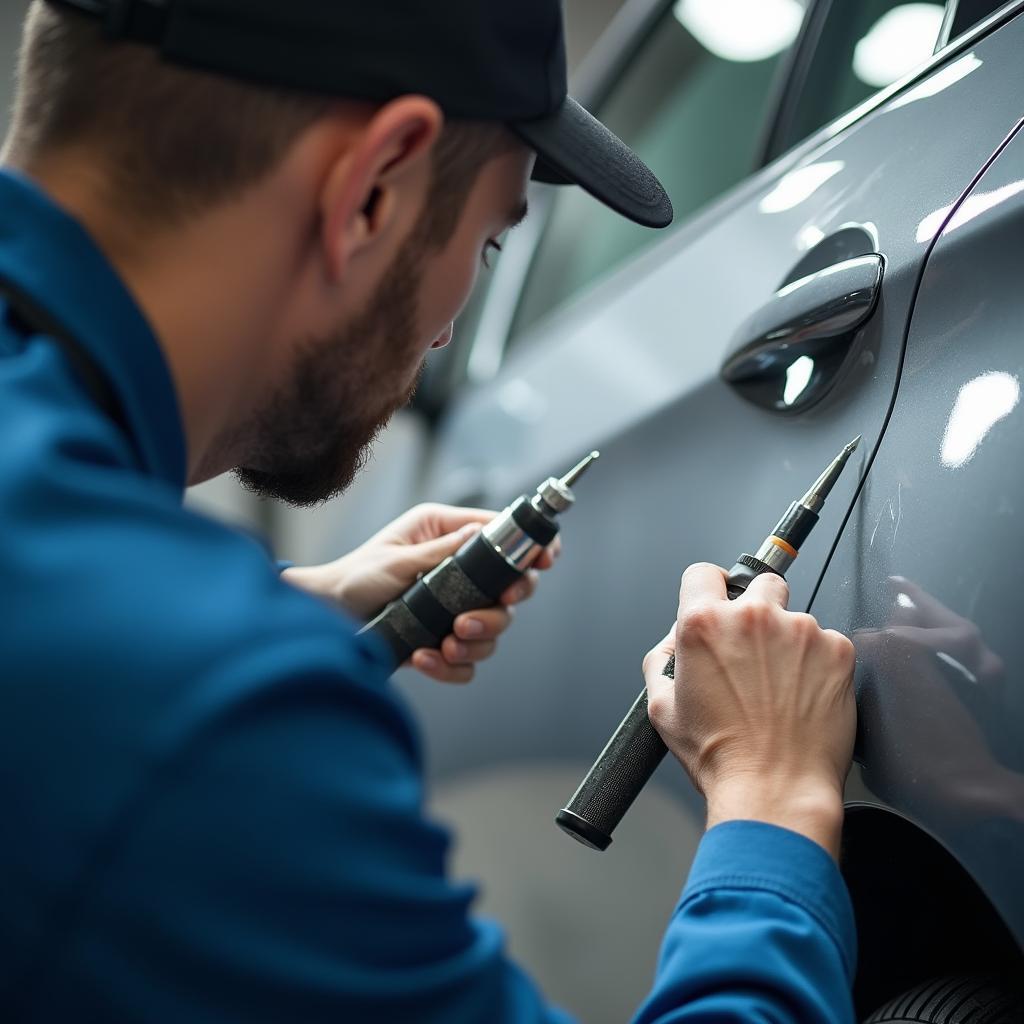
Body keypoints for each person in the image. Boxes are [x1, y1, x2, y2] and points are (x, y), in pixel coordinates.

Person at [0, 1, 858, 1021]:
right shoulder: (188, 700)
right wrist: (772, 805)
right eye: (489, 245)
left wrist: (293, 613)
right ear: (372, 190)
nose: (449, 334)